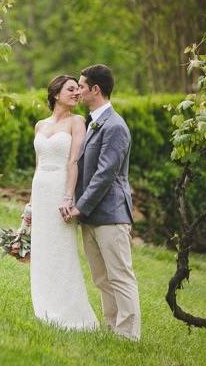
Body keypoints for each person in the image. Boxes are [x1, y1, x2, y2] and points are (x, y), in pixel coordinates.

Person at [62, 64, 141, 341]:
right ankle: (111, 328)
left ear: (96, 89)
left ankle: (129, 334)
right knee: (101, 278)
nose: (78, 91)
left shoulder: (116, 126)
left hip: (111, 214)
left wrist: (80, 206)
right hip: (91, 216)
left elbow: (105, 174)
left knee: (120, 276)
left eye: (82, 86)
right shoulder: (91, 121)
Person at [28, 74, 99, 331]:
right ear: (56, 93)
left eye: (77, 90)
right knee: (43, 250)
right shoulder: (39, 125)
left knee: (62, 249)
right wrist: (30, 206)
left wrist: (68, 197)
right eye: (71, 89)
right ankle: (45, 305)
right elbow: (37, 167)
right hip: (41, 189)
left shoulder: (77, 122)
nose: (77, 93)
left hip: (61, 190)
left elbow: (73, 162)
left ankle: (72, 312)